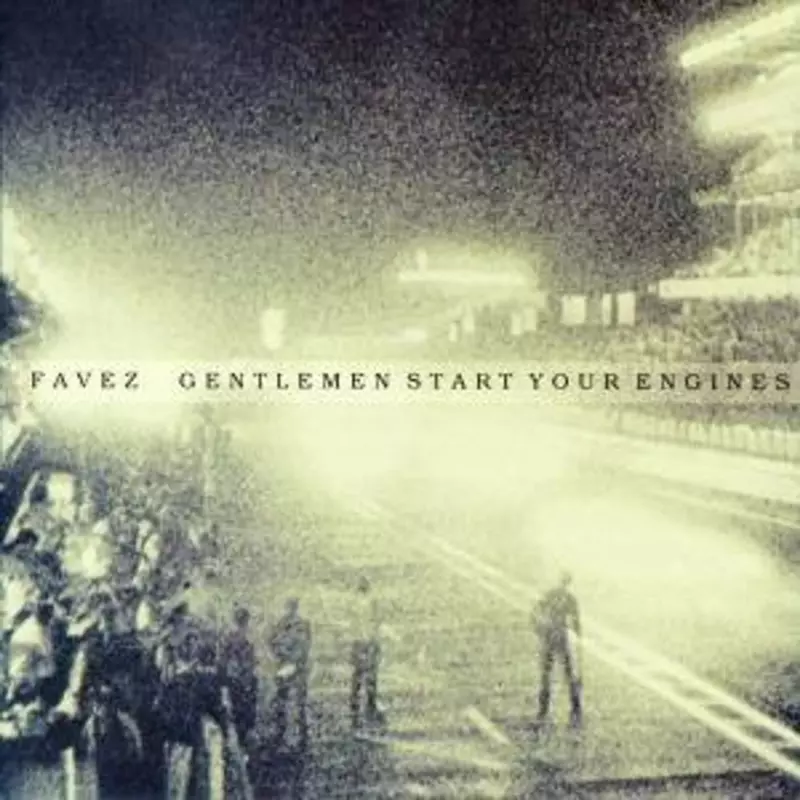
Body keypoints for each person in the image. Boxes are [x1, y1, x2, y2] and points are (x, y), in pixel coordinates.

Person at [532, 572, 582, 728]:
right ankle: (576, 707)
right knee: (570, 673)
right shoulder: (571, 598)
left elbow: (536, 611)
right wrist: (578, 636)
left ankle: (543, 708)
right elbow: (576, 620)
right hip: (562, 634)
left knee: (546, 673)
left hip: (550, 635)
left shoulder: (550, 594)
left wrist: (538, 628)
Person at [268, 598, 311, 748]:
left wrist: (282, 654)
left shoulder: (285, 623)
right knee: (293, 700)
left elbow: (272, 642)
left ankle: (286, 732)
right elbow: (306, 645)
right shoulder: (295, 623)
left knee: (289, 699)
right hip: (293, 665)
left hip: (290, 665)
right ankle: (295, 733)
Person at [220, 607, 259, 746]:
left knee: (241, 709)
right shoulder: (238, 637)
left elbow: (223, 659)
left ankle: (243, 737)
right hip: (239, 677)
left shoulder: (233, 636)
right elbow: (224, 659)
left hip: (240, 677)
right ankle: (243, 737)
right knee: (243, 708)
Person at [349, 577, 382, 731]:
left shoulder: (355, 603)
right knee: (371, 675)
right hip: (369, 641)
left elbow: (354, 624)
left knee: (358, 674)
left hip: (358, 642)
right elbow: (375, 623)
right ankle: (370, 703)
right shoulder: (372, 602)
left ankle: (354, 701)